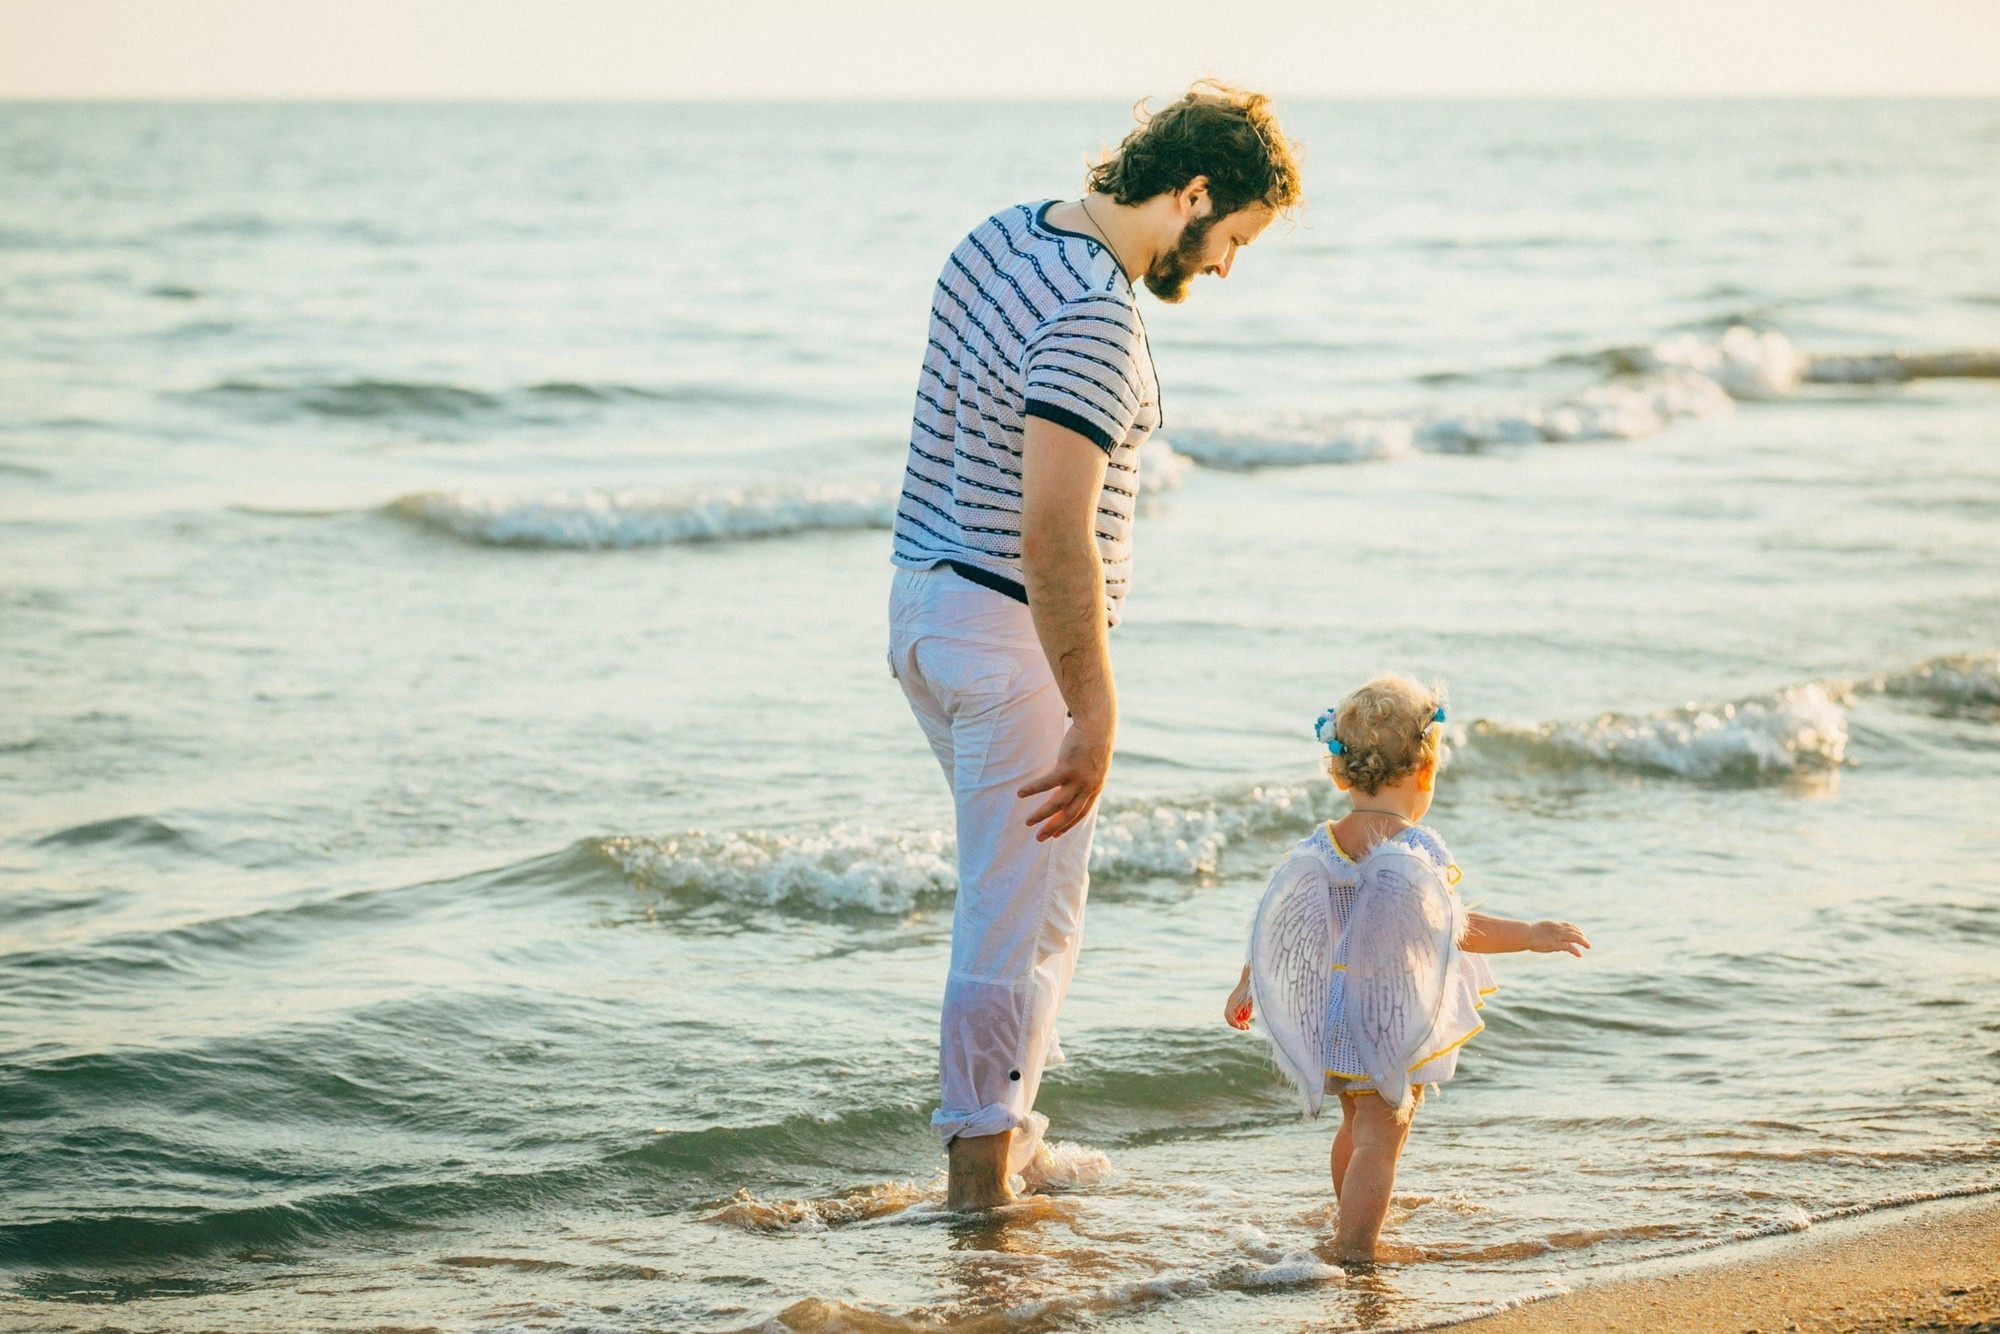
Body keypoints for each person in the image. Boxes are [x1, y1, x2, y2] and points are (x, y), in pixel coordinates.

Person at [887, 83, 1304, 1210]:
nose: (1223, 267)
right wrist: (1095, 704)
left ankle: (1008, 1130)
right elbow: (1051, 531)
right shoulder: (1092, 318)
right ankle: (979, 1177)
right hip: (1005, 632)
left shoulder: (1000, 236)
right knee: (1009, 916)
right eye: (1232, 240)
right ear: (1195, 192)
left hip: (923, 605)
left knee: (1039, 899)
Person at [1223, 675, 1591, 1260]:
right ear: (1424, 771)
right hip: (1386, 1016)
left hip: (1329, 1018)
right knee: (1382, 1135)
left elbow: (1282, 921)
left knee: (1355, 1126)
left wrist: (1250, 984)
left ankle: (1346, 1225)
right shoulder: (1418, 850)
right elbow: (1460, 928)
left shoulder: (1318, 845)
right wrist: (1529, 935)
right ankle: (1355, 1248)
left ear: (1342, 774)